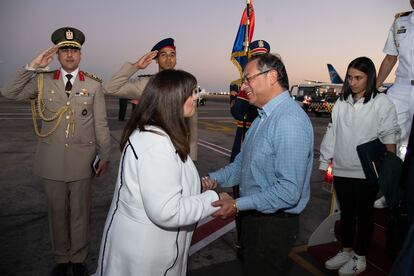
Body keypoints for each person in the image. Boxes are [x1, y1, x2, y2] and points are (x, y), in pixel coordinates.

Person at [93, 69, 229, 276]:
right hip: (147, 256)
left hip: (149, 247)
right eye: (191, 92)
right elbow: (168, 211)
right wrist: (214, 198)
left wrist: (196, 186)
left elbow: (161, 183)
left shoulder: (158, 134)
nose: (195, 97)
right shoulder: (156, 145)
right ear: (172, 99)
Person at [1, 27, 111, 276]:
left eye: (74, 50)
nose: (70, 55)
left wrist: (105, 155)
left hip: (83, 161)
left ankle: (78, 258)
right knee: (57, 212)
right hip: (51, 161)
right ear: (57, 54)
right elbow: (8, 92)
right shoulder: (41, 80)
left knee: (81, 213)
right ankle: (62, 258)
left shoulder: (93, 85)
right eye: (64, 50)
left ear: (80, 54)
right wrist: (32, 66)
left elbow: (101, 123)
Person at [202, 53, 314, 275]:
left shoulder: (288, 121)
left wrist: (236, 205)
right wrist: (211, 180)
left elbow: (289, 192)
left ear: (271, 76)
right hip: (254, 218)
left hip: (272, 226)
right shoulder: (262, 118)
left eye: (248, 79)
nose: (243, 86)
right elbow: (241, 166)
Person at [320, 57, 400, 275]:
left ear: (370, 77)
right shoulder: (342, 102)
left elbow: (390, 136)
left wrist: (389, 172)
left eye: (358, 77)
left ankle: (360, 257)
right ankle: (345, 251)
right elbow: (332, 132)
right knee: (346, 214)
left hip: (366, 173)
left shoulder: (381, 103)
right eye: (350, 77)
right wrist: (324, 160)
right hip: (342, 169)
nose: (352, 82)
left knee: (364, 216)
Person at [104, 37, 198, 161]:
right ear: (156, 60)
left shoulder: (185, 84)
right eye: (163, 55)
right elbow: (110, 88)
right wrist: (135, 66)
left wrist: (192, 158)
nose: (169, 59)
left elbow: (192, 127)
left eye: (172, 55)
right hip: (152, 151)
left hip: (179, 151)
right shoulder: (147, 84)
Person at [228, 39, 270, 256]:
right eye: (254, 56)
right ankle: (246, 241)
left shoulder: (263, 83)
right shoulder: (241, 83)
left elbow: (239, 112)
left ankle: (252, 242)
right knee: (246, 201)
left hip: (257, 147)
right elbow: (238, 114)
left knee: (254, 201)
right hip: (247, 144)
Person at [375, 0, 414, 209]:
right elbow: (390, 58)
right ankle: (391, 192)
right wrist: (373, 88)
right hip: (401, 88)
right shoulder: (401, 21)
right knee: (391, 139)